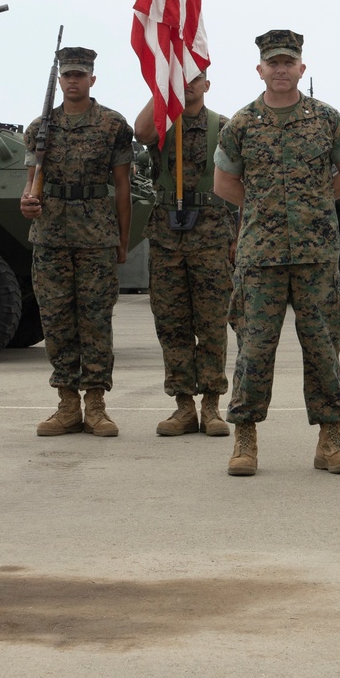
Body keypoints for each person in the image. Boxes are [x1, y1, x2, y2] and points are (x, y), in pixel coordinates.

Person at [213, 30, 340, 476]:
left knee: (323, 347)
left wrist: (314, 202)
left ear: (302, 68)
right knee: (254, 350)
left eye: (288, 62)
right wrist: (266, 209)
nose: (281, 70)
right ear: (260, 70)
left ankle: (330, 440)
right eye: (273, 63)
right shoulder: (241, 124)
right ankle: (244, 439)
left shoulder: (325, 119)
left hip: (316, 255)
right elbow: (224, 184)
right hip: (260, 258)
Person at [21, 47, 132, 437]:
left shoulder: (113, 125)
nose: (72, 80)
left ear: (92, 79)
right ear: (59, 79)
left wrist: (122, 240)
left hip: (96, 235)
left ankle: (97, 405)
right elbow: (32, 182)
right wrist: (27, 201)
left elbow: (122, 187)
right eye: (67, 74)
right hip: (51, 236)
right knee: (56, 319)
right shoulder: (39, 128)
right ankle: (67, 404)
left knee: (96, 319)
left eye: (79, 74)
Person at [134, 71, 238, 438]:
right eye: (183, 78)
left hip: (211, 237)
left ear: (208, 84)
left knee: (211, 324)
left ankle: (211, 406)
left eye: (196, 78)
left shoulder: (224, 128)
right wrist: (163, 88)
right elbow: (140, 133)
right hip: (167, 239)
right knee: (172, 323)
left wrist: (238, 236)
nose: (190, 84)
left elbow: (241, 181)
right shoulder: (163, 125)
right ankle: (183, 406)